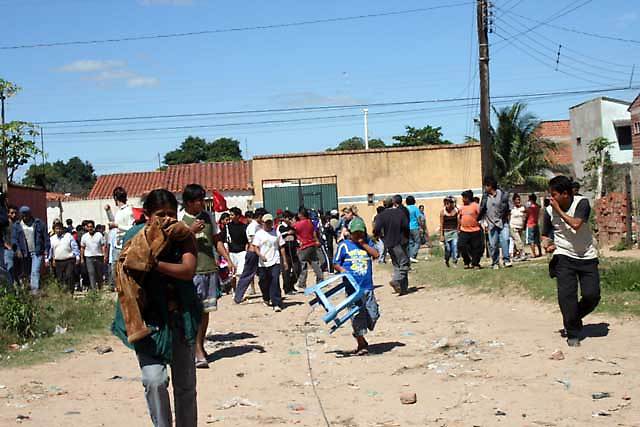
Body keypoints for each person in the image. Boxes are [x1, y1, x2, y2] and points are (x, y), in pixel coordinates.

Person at [112, 189, 199, 427]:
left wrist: (154, 264)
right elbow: (125, 274)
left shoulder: (183, 235)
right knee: (154, 381)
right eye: (161, 214)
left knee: (185, 386)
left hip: (180, 318)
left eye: (171, 213)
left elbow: (188, 270)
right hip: (147, 322)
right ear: (147, 215)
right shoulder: (134, 237)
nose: (167, 219)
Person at [179, 184, 234, 369]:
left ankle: (199, 346)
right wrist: (191, 231)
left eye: (203, 199)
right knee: (192, 312)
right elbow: (175, 243)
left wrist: (227, 260)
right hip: (191, 272)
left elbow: (217, 241)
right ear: (188, 202)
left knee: (205, 312)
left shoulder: (209, 217)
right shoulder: (180, 219)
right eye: (198, 200)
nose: (202, 203)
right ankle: (195, 349)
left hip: (209, 269)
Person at [542, 176, 600, 347]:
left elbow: (576, 224)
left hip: (587, 255)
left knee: (592, 296)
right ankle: (573, 332)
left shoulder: (581, 203)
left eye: (554, 194)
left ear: (565, 194)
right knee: (567, 296)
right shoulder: (548, 211)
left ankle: (573, 318)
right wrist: (547, 244)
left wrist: (558, 210)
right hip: (564, 255)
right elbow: (545, 235)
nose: (551, 198)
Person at [333, 217, 380, 355]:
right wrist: (343, 270)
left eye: (361, 233)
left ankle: (362, 333)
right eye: (355, 233)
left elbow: (376, 254)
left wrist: (363, 244)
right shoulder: (344, 245)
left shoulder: (367, 244)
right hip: (353, 289)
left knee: (373, 314)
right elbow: (336, 263)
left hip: (367, 287)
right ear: (350, 233)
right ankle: (361, 342)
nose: (358, 236)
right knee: (357, 316)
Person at [373, 196, 410, 295]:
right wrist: (406, 237)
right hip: (400, 241)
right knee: (404, 264)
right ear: (393, 203)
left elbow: (376, 228)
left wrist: (376, 236)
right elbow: (406, 226)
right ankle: (396, 280)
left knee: (396, 264)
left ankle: (402, 288)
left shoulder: (381, 215)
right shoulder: (400, 212)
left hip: (388, 243)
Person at [252, 213, 287, 312]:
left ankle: (276, 303)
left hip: (275, 260)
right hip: (263, 263)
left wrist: (284, 261)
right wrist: (260, 255)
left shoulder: (276, 233)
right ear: (263, 223)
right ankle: (266, 297)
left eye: (270, 222)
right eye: (266, 222)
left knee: (274, 280)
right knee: (263, 281)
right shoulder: (259, 234)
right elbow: (255, 247)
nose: (268, 224)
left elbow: (282, 247)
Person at [233, 208, 267, 303]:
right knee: (247, 274)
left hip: (259, 252)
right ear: (259, 216)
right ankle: (238, 296)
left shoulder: (259, 226)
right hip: (253, 252)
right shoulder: (253, 226)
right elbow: (253, 241)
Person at [479, 176, 512, 269]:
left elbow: (508, 208)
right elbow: (482, 210)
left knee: (505, 240)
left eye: (486, 186)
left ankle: (506, 260)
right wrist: (483, 223)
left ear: (490, 186)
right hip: (491, 224)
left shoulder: (502, 195)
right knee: (493, 244)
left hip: (503, 222)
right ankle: (495, 262)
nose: (485, 188)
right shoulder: (485, 197)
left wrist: (507, 219)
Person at [15, 206, 50, 294]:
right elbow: (15, 239)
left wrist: (46, 248)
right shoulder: (18, 225)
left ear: (30, 214)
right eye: (23, 215)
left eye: (26, 215)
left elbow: (45, 237)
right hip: (24, 252)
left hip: (37, 251)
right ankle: (27, 289)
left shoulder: (38, 223)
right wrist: (18, 250)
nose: (25, 217)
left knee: (35, 270)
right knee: (26, 272)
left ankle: (34, 290)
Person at [294, 207, 324, 290]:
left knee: (302, 264)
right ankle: (320, 279)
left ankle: (302, 283)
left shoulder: (299, 224)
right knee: (315, 263)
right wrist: (316, 240)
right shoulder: (310, 222)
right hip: (312, 245)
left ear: (301, 214)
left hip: (304, 245)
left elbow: (293, 228)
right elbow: (314, 232)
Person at [49, 220, 80, 292]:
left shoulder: (68, 236)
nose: (58, 230)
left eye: (60, 228)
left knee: (69, 275)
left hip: (69, 260)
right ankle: (62, 293)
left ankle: (70, 291)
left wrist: (77, 256)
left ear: (62, 229)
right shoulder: (52, 239)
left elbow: (74, 247)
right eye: (57, 229)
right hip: (58, 261)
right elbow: (50, 250)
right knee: (60, 278)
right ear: (54, 230)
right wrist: (49, 259)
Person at [458, 190, 483, 269]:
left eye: (464, 198)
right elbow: (459, 217)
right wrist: (459, 227)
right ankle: (467, 261)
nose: (463, 199)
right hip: (464, 230)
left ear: (468, 198)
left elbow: (481, 216)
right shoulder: (462, 207)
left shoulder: (475, 206)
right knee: (461, 246)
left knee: (476, 248)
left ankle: (475, 263)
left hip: (475, 230)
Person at [226, 207, 249, 294]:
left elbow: (247, 241)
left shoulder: (244, 227)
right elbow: (225, 240)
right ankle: (234, 290)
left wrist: (246, 251)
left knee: (241, 273)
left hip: (242, 252)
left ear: (238, 216)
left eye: (232, 215)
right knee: (232, 274)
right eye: (230, 215)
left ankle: (241, 291)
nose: (230, 216)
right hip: (231, 252)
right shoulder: (227, 227)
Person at [278, 211, 300, 295]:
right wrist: (287, 233)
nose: (290, 220)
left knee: (297, 269)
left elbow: (295, 237)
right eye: (289, 218)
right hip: (285, 252)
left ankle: (292, 284)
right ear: (284, 218)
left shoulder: (292, 227)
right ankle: (287, 289)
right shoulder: (280, 227)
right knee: (286, 271)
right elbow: (279, 237)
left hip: (293, 251)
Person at [80, 220, 106, 290]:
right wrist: (81, 258)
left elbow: (103, 246)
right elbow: (82, 247)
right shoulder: (84, 236)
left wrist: (104, 255)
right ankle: (94, 290)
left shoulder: (99, 235)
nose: (90, 228)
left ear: (94, 227)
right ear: (87, 228)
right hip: (89, 257)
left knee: (99, 274)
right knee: (91, 273)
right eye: (88, 227)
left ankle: (100, 288)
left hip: (99, 256)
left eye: (91, 227)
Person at [3, 204, 20, 288]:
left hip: (18, 251)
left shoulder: (18, 224)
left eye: (15, 213)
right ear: (8, 214)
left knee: (18, 271)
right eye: (12, 213)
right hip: (7, 250)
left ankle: (18, 289)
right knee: (10, 269)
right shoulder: (4, 224)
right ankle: (11, 288)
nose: (14, 215)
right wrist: (7, 246)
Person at [440, 196, 459, 267]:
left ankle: (454, 261)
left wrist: (458, 230)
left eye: (449, 203)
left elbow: (458, 221)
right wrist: (441, 235)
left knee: (455, 246)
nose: (447, 205)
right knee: (448, 249)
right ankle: (446, 260)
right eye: (446, 203)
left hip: (454, 231)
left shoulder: (456, 211)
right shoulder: (443, 212)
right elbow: (441, 224)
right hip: (446, 232)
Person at [406, 195, 424, 263]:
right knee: (418, 242)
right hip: (415, 227)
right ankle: (412, 256)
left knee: (410, 242)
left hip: (407, 227)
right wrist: (421, 226)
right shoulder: (415, 208)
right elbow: (418, 218)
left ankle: (411, 256)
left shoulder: (406, 208)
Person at [510, 193, 527, 260]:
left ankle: (515, 254)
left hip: (520, 227)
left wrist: (524, 225)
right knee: (518, 241)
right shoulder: (512, 208)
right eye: (517, 200)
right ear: (514, 201)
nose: (518, 201)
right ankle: (522, 254)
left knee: (516, 242)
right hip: (513, 226)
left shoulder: (523, 208)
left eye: (519, 200)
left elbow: (525, 216)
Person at [526, 194, 542, 258]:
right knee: (537, 239)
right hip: (536, 224)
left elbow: (527, 214)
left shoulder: (530, 207)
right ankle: (540, 252)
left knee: (531, 240)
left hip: (530, 224)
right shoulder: (537, 206)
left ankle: (534, 253)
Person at [105, 224, 118, 291]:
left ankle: (112, 285)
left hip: (112, 255)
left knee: (111, 271)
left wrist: (106, 255)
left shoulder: (111, 232)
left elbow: (109, 245)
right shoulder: (120, 231)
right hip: (117, 254)